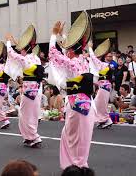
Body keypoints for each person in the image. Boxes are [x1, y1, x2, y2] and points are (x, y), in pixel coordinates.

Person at [49, 17, 95, 170]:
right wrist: (63, 37)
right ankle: (79, 164)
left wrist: (53, 35)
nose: (66, 51)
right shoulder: (83, 60)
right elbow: (66, 50)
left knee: (72, 137)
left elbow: (53, 53)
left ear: (70, 52)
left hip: (76, 104)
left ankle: (75, 166)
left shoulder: (72, 61)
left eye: (67, 50)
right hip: (87, 102)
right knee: (79, 136)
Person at [5, 25, 45, 147]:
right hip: (37, 89)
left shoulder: (24, 60)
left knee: (24, 113)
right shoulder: (35, 58)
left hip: (28, 90)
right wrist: (16, 42)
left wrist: (8, 42)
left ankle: (33, 136)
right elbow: (20, 54)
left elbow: (11, 53)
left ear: (24, 50)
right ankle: (29, 136)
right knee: (32, 113)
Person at [88, 41, 113, 129]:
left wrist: (90, 48)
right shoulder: (105, 64)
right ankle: (102, 119)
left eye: (111, 56)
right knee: (99, 103)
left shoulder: (104, 65)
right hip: (104, 86)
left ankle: (107, 120)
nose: (110, 57)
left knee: (100, 104)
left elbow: (94, 59)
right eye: (108, 56)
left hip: (104, 86)